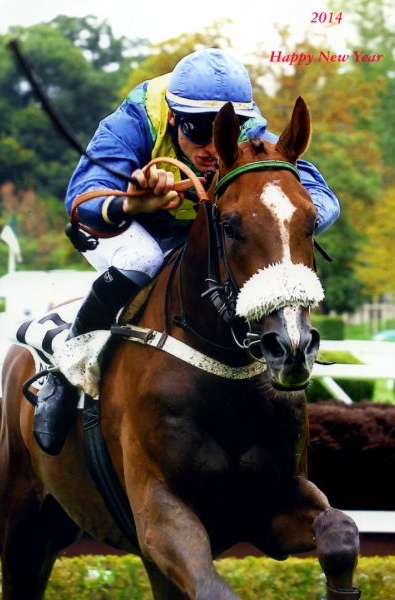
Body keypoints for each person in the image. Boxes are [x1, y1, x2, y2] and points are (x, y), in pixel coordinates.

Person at [33, 47, 340, 455]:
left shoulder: (250, 133)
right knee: (143, 259)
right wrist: (132, 204)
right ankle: (64, 368)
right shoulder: (134, 121)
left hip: (194, 235)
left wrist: (283, 215)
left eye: (224, 130)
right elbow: (82, 198)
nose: (212, 146)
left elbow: (320, 195)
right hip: (128, 231)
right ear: (175, 118)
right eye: (198, 130)